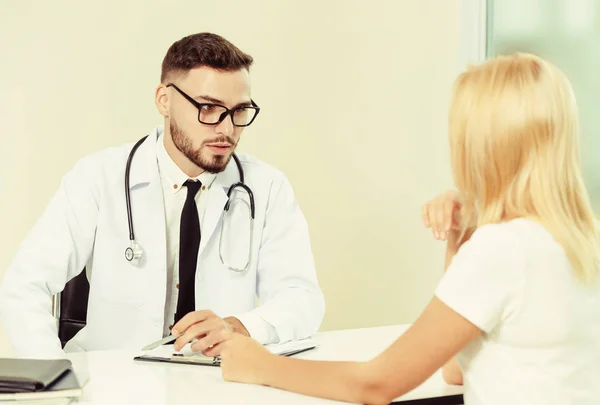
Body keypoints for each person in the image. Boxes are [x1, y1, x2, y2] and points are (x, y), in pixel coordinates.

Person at [218, 53, 600, 404]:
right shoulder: (580, 237)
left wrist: (260, 365)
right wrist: (459, 235)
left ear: (481, 148)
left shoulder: (503, 249)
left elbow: (376, 384)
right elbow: (456, 370)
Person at [0, 32, 325, 358]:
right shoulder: (97, 178)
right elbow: (25, 286)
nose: (227, 130)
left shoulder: (266, 187)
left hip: (218, 380)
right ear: (164, 100)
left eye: (239, 111)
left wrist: (240, 326)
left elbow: (302, 298)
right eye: (209, 108)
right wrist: (56, 377)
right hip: (112, 380)